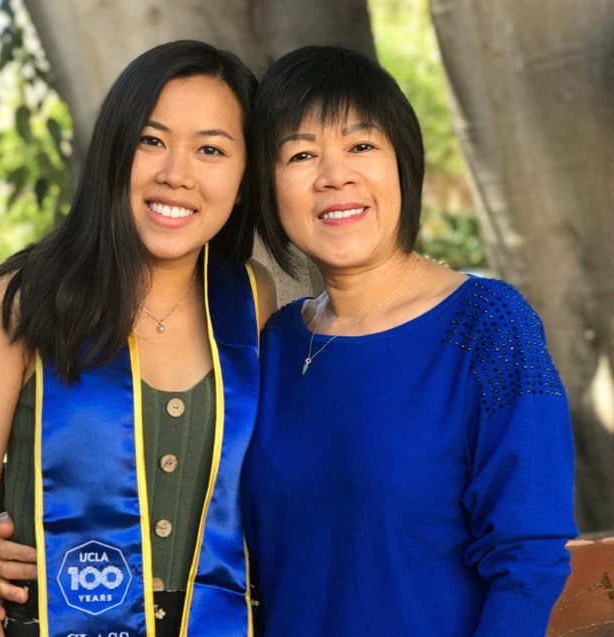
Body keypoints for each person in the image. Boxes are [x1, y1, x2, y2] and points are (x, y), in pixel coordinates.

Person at [0, 40, 275, 637]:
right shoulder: (23, 302)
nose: (176, 174)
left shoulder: (251, 302)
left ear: (245, 179)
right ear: (116, 151)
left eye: (211, 150)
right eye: (151, 140)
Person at [240, 45, 578, 637]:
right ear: (268, 188)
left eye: (362, 145)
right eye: (300, 154)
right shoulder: (271, 344)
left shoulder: (490, 327)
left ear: (404, 162)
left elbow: (528, 564)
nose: (334, 174)